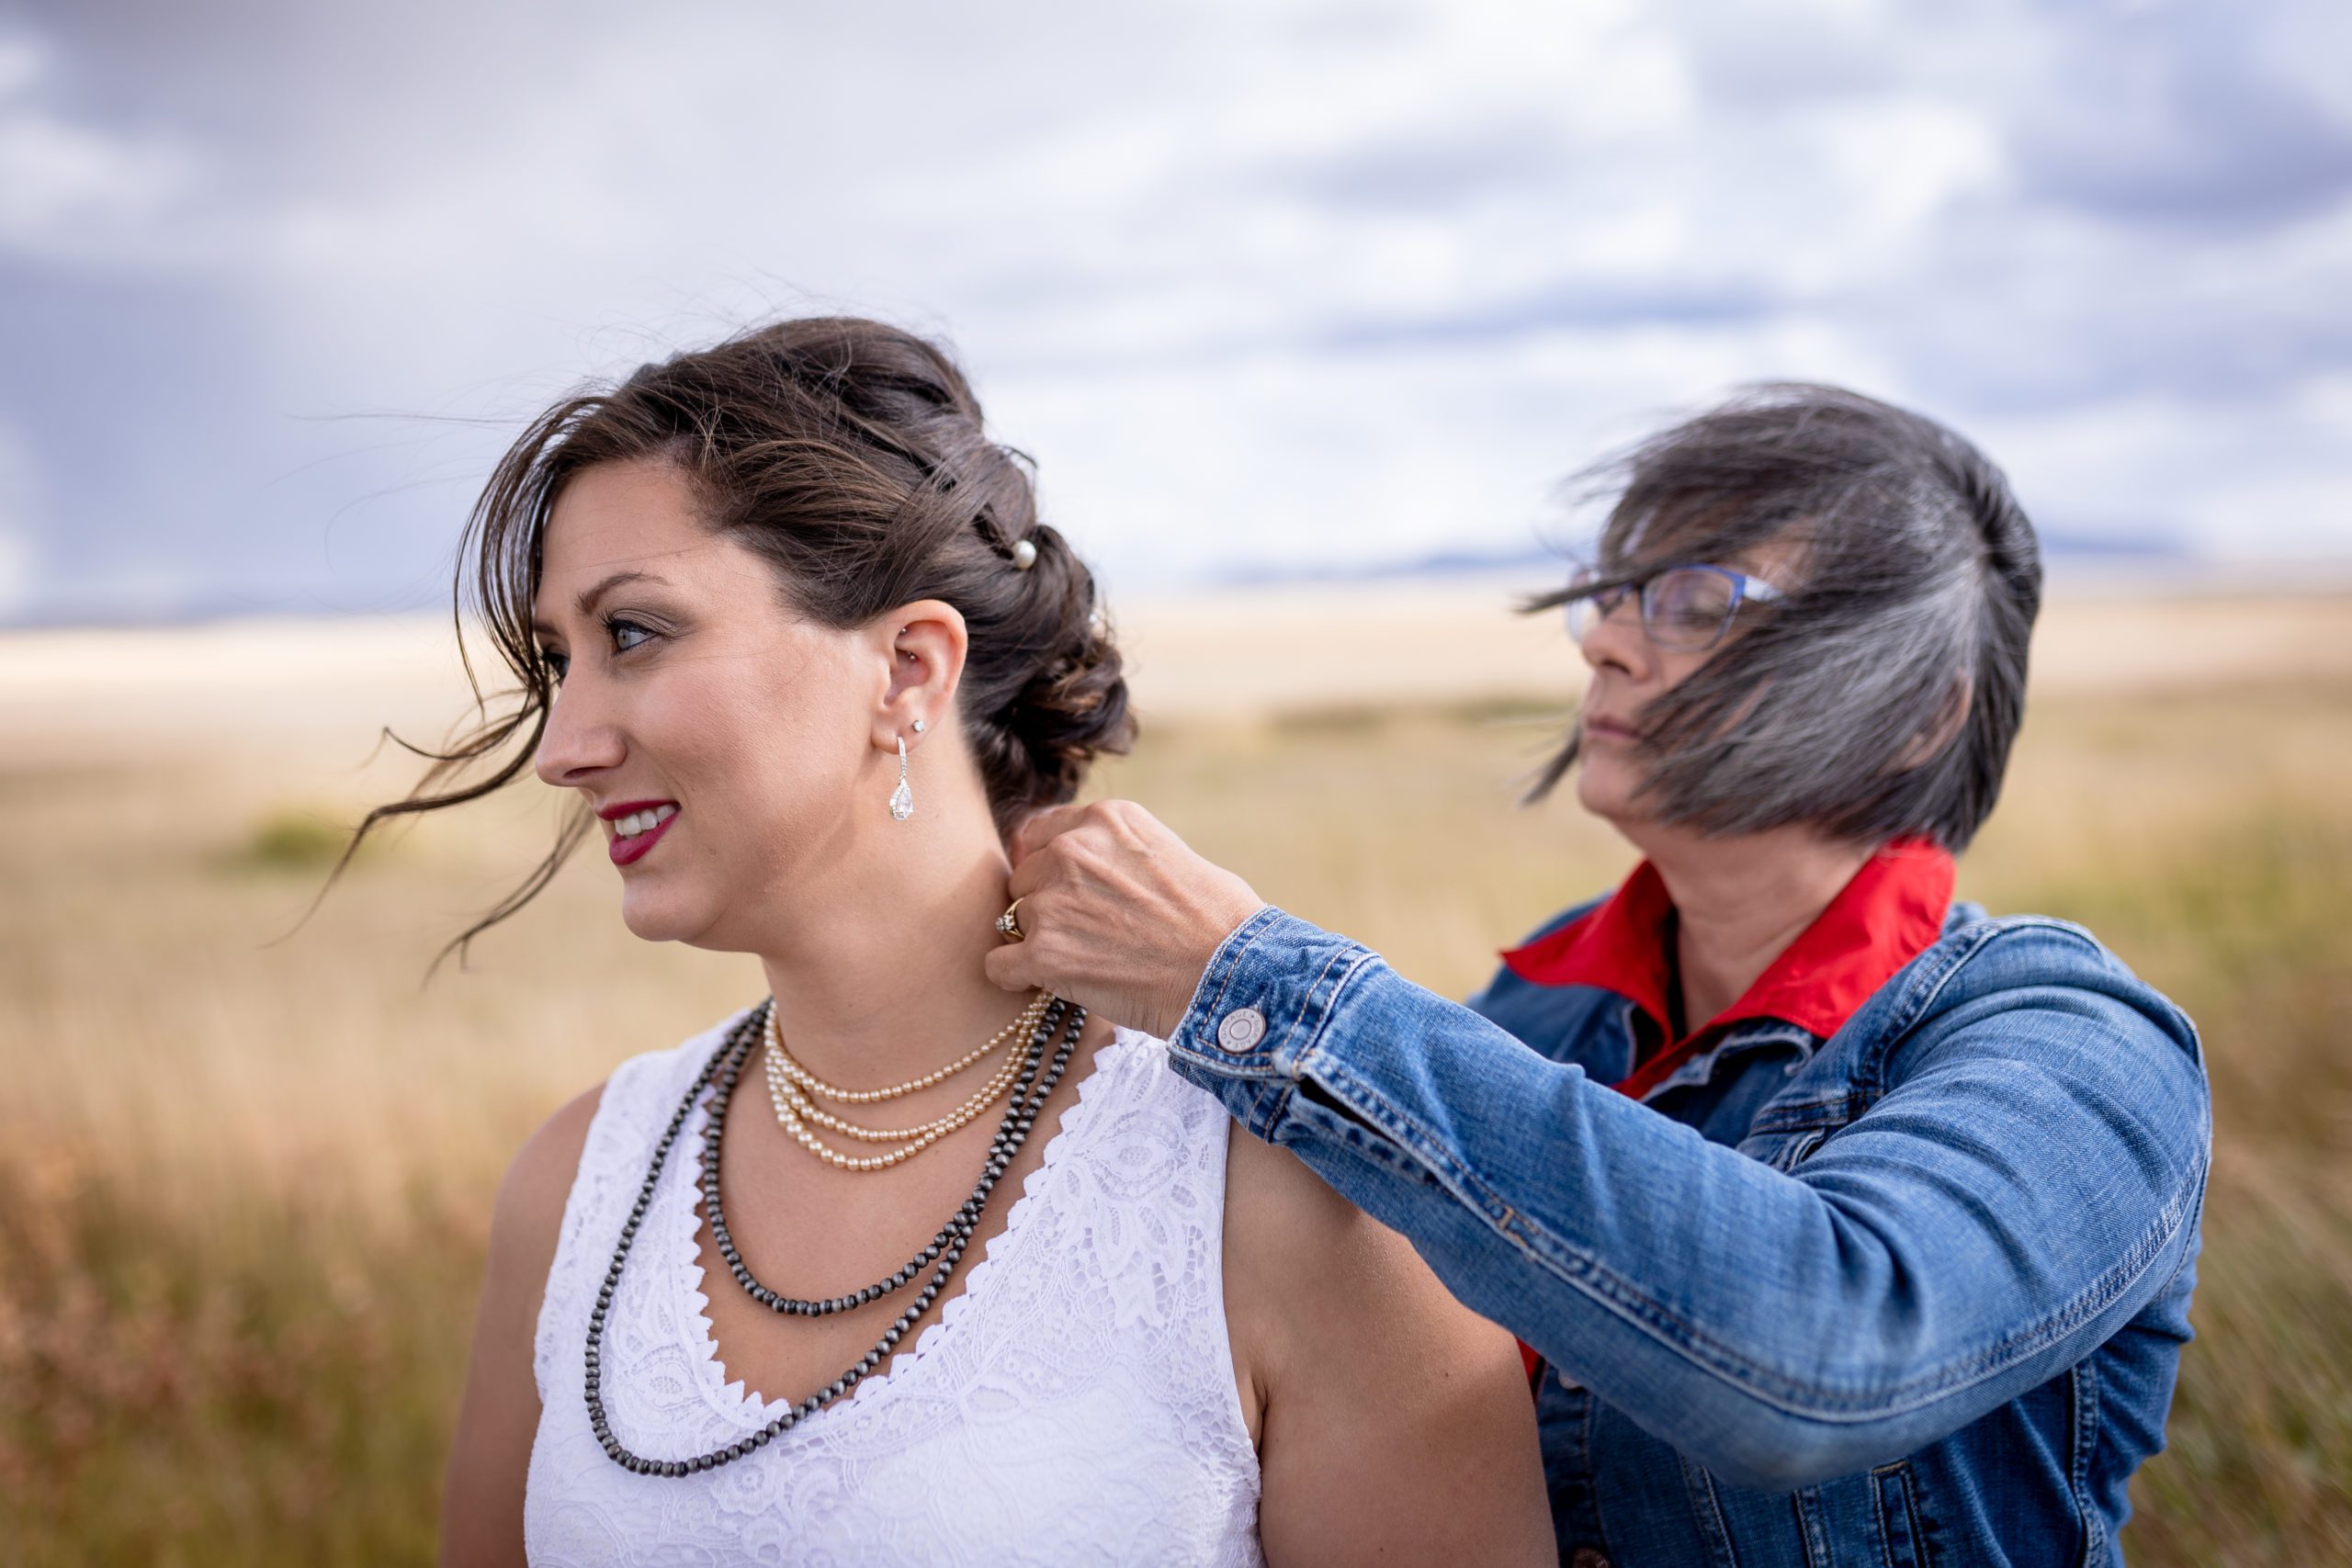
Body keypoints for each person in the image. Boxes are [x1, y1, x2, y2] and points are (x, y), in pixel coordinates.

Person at [342, 320, 1551, 1565]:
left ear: (908, 670)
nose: (564, 745)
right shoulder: (579, 1186)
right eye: (559, 660)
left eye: (634, 634)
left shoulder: (1287, 1197)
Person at [988, 385, 2211, 1566]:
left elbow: (1825, 1355)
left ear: (1919, 713)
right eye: (1619, 593)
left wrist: (1247, 981)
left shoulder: (2074, 1044)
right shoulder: (1539, 1014)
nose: (1613, 643)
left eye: (1699, 602)